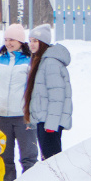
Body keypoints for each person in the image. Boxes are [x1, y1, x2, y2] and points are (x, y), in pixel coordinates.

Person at [0, 24, 39, 179]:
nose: (8, 43)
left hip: (24, 117)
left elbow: (34, 88)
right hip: (1, 117)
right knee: (4, 157)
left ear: (20, 41)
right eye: (6, 40)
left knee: (29, 157)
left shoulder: (29, 61)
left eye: (12, 40)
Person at [24, 24, 72, 160]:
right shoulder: (41, 61)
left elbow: (57, 97)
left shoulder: (50, 63)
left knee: (52, 161)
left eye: (35, 41)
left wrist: (51, 124)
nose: (31, 44)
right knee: (48, 160)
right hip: (44, 121)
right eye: (30, 40)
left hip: (50, 123)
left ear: (43, 43)